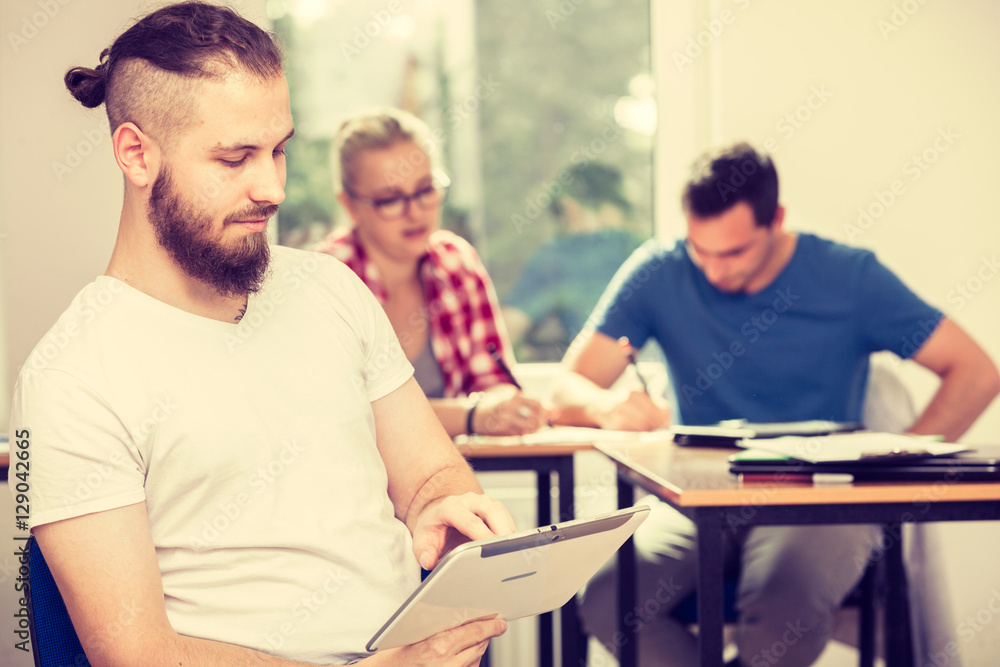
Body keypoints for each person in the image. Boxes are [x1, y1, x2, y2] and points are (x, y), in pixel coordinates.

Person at [11, 3, 515, 666]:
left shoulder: (331, 289)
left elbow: (430, 473)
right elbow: (137, 653)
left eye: (279, 150)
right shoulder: (71, 378)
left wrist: (441, 504)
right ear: (136, 154)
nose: (273, 187)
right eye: (235, 158)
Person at [550, 142, 1000, 665]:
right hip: (693, 499)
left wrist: (894, 467)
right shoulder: (658, 271)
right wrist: (606, 408)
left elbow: (976, 372)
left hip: (820, 500)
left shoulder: (849, 277)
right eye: (700, 250)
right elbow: (564, 389)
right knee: (607, 599)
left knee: (782, 608)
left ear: (777, 220)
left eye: (733, 253)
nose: (713, 270)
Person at [316, 108, 549, 437]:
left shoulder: (457, 263)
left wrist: (505, 406)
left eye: (426, 190)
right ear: (350, 205)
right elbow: (345, 414)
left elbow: (492, 380)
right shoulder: (325, 279)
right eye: (390, 200)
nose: (415, 213)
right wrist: (472, 416)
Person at [502, 161, 645, 361]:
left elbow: (504, 333)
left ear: (570, 207)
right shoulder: (649, 253)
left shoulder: (560, 256)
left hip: (592, 375)